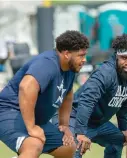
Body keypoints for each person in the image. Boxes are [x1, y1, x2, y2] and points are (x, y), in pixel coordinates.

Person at [0, 30, 89, 158]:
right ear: (67, 54)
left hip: (35, 118)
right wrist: (31, 128)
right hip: (9, 111)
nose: (84, 60)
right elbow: (26, 87)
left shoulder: (70, 69)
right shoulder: (47, 63)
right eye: (81, 55)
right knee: (34, 144)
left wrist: (64, 125)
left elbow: (67, 94)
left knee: (69, 148)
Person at [54, 34, 127, 158]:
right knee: (74, 149)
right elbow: (87, 100)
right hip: (76, 118)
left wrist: (123, 128)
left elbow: (123, 104)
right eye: (124, 58)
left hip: (98, 123)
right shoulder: (106, 73)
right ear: (117, 57)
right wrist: (80, 133)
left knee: (118, 138)